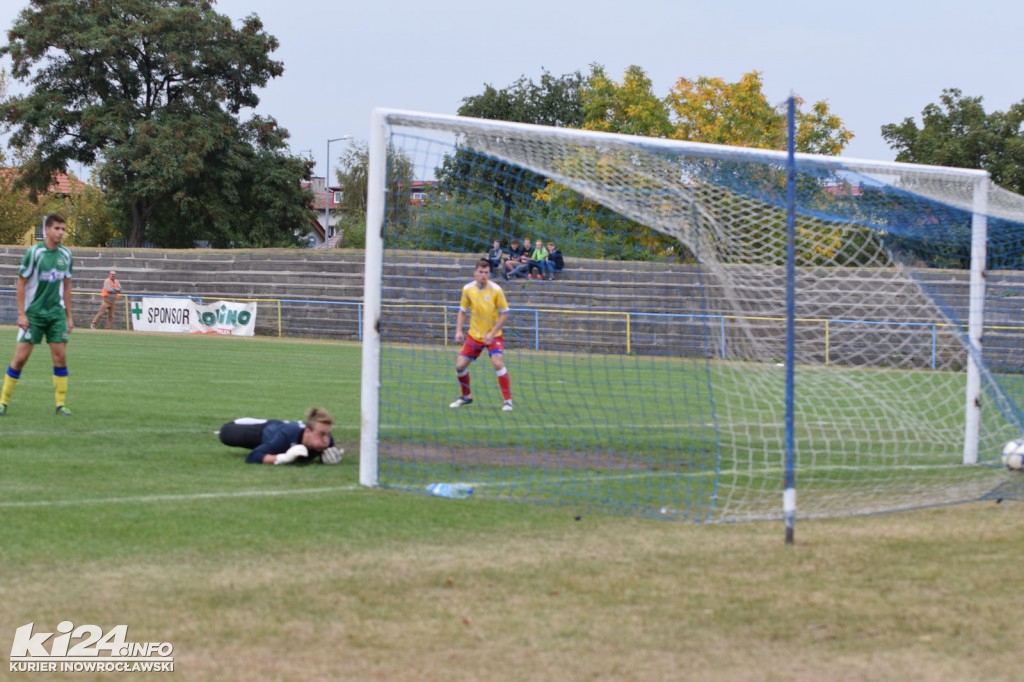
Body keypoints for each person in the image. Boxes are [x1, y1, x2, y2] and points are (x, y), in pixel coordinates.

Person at [0, 214, 74, 417]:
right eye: (57, 228)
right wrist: (21, 314)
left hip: (56, 314)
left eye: (63, 229)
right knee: (20, 358)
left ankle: (61, 405)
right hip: (33, 314)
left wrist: (69, 316)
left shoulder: (66, 255)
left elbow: (67, 285)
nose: (61, 232)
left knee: (60, 357)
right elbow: (21, 282)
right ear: (47, 230)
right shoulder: (34, 253)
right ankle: (3, 402)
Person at [450, 259, 514, 411]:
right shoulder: (468, 289)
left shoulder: (496, 290)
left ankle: (507, 401)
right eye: (480, 272)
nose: (483, 275)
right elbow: (462, 311)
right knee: (460, 366)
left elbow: (505, 314)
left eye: (486, 272)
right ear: (475, 273)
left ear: (489, 273)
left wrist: (492, 333)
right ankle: (466, 396)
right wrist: (458, 331)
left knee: (498, 362)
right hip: (474, 335)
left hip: (494, 335)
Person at [217, 407, 343, 465]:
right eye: (321, 434)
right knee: (225, 433)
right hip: (262, 431)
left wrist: (328, 459)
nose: (326, 440)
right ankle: (251, 420)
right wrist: (283, 458)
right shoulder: (287, 437)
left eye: (328, 434)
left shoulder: (327, 442)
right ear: (308, 431)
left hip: (281, 426)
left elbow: (326, 455)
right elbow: (252, 457)